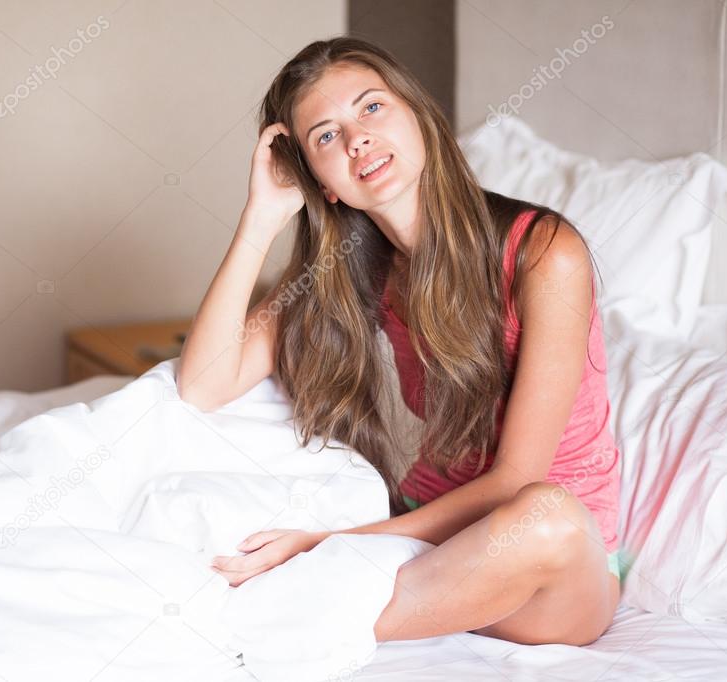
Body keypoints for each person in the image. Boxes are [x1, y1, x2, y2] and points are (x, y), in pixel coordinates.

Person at [175, 36, 621, 647]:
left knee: (549, 516)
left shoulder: (545, 253)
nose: (355, 137)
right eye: (325, 136)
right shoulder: (357, 267)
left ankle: (265, 636)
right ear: (323, 183)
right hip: (420, 539)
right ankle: (271, 626)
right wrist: (264, 212)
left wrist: (326, 546)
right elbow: (203, 385)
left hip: (547, 568)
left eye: (371, 108)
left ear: (420, 118)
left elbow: (517, 481)